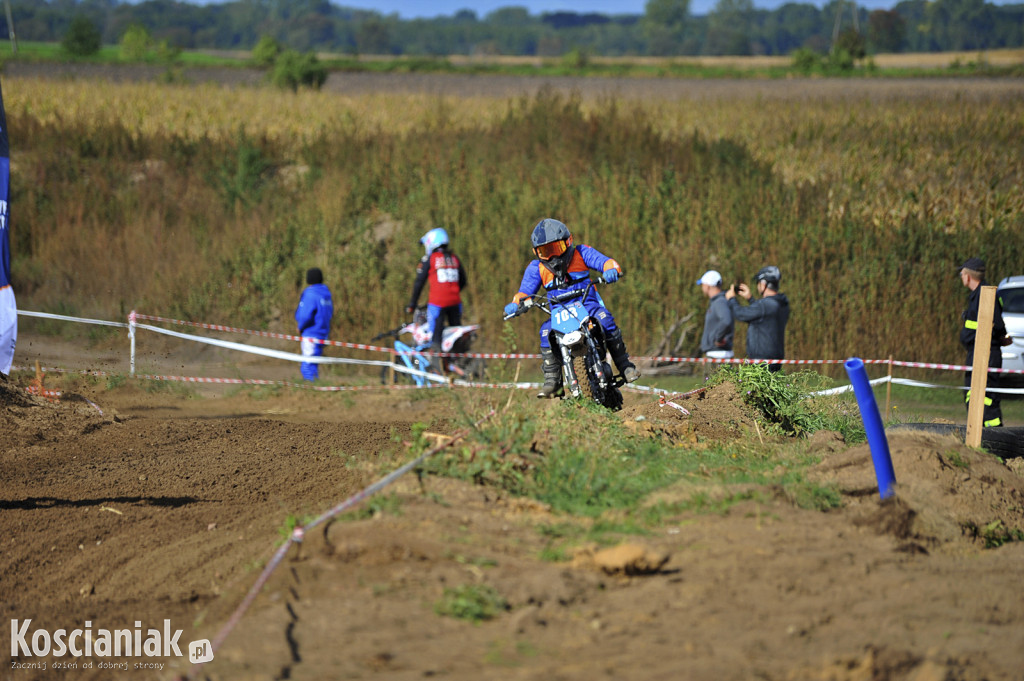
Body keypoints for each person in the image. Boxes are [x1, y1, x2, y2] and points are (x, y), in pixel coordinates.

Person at [503, 218, 639, 398]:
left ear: (568, 242)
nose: (553, 257)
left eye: (556, 249)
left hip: (588, 306)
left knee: (605, 319)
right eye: (545, 252)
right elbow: (525, 292)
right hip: (558, 313)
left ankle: (625, 366)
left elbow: (606, 262)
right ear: (536, 253)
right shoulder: (536, 268)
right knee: (545, 332)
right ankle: (553, 382)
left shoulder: (582, 253)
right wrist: (516, 303)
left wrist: (610, 270)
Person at [958, 257, 1008, 427]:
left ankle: (996, 441)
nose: (961, 276)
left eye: (961, 273)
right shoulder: (977, 296)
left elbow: (997, 325)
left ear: (968, 276)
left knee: (987, 400)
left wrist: (1001, 337)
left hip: (986, 354)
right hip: (976, 353)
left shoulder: (986, 295)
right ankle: (979, 438)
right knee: (972, 397)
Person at [407, 228, 467, 366]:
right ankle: (457, 362)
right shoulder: (454, 258)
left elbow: (419, 283)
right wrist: (453, 290)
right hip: (455, 302)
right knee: (455, 333)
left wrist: (412, 304)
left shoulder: (431, 259)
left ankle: (435, 365)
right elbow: (463, 280)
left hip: (438, 303)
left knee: (436, 336)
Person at [725, 265, 790, 373]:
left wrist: (731, 299)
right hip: (775, 359)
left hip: (762, 362)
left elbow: (741, 314)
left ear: (763, 284)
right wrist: (750, 299)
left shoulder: (765, 305)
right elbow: (764, 316)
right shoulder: (782, 304)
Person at [294, 267, 333, 382]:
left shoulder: (311, 294)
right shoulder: (326, 294)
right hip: (323, 333)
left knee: (307, 366)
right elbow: (329, 313)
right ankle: (315, 387)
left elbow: (305, 315)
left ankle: (310, 390)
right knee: (314, 364)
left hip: (311, 334)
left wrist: (300, 327)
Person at [696, 269, 734, 361]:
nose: (702, 287)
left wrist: (718, 339)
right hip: (716, 353)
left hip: (718, 354)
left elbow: (726, 321)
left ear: (708, 286)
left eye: (703, 284)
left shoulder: (719, 302)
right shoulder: (719, 301)